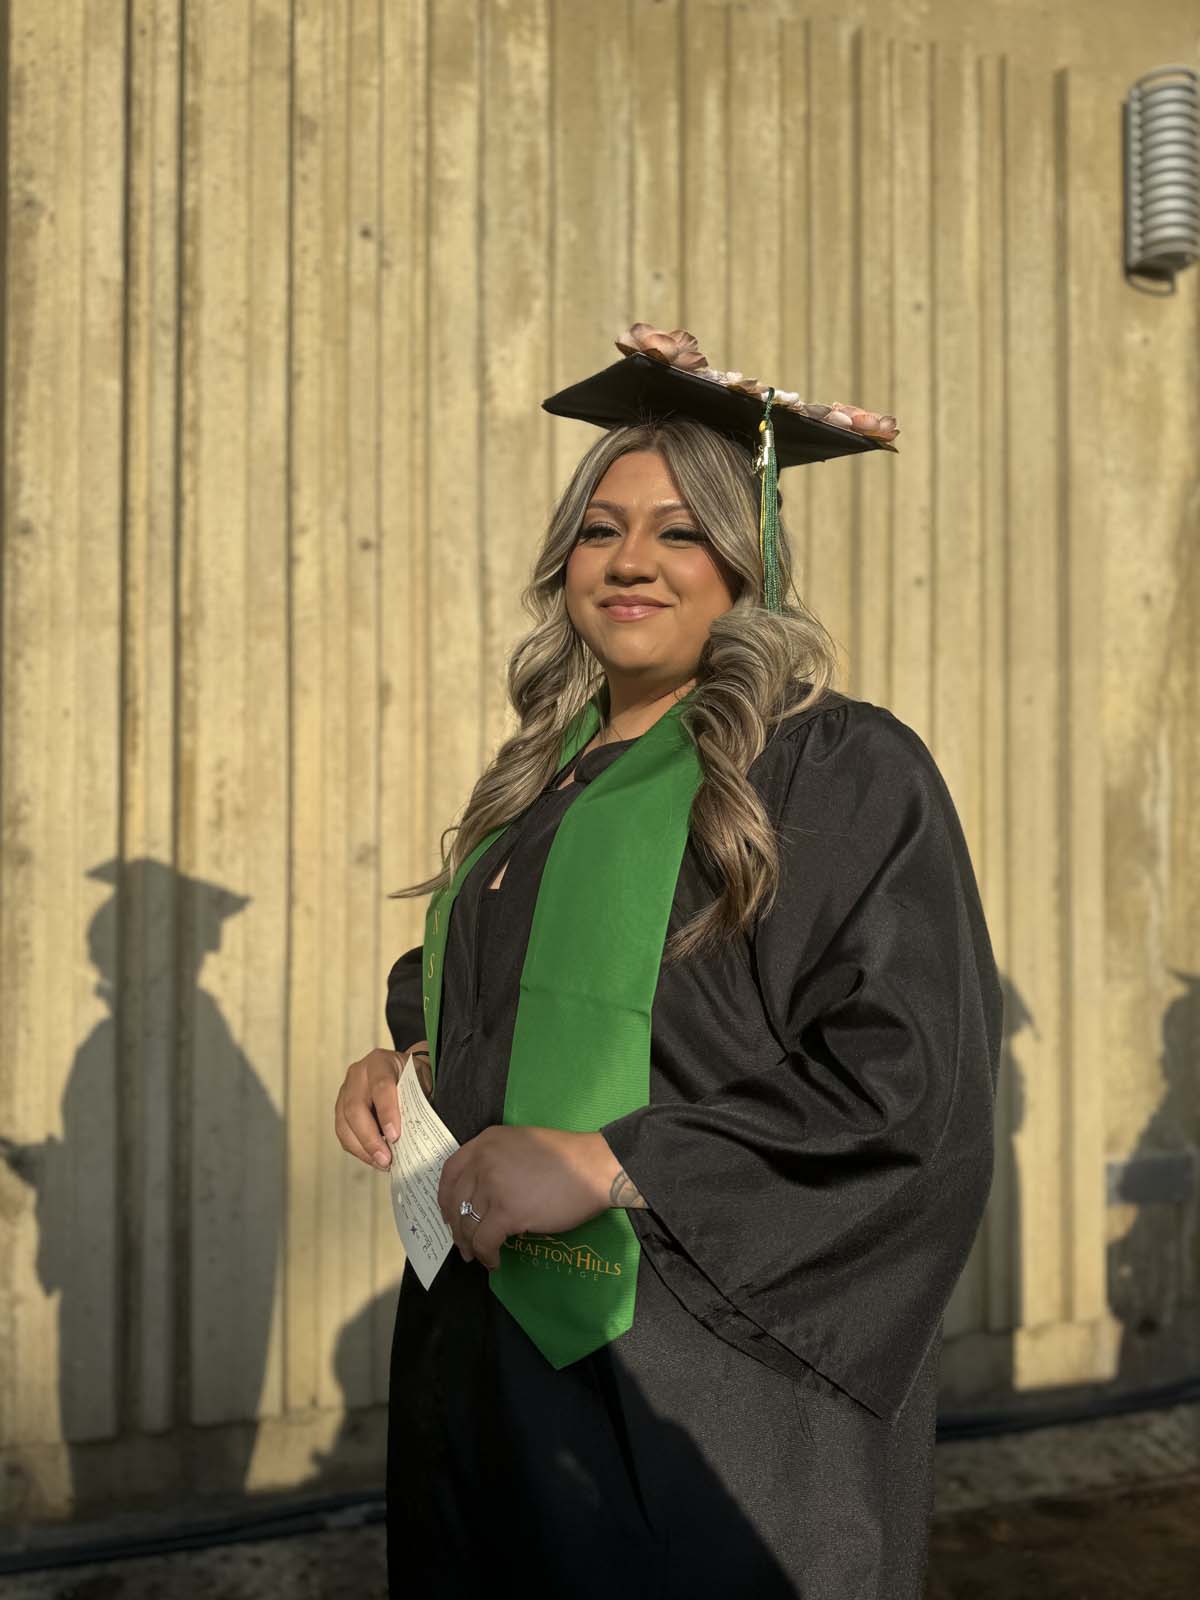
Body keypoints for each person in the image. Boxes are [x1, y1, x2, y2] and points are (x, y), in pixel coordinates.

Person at [333, 322, 1003, 1598]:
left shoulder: (834, 771)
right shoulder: (545, 774)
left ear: (746, 567)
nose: (630, 559)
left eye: (681, 530)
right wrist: (405, 1057)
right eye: (601, 527)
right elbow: (478, 982)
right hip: (493, 1371)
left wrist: (609, 1158)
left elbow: (907, 1096)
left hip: (714, 1371)